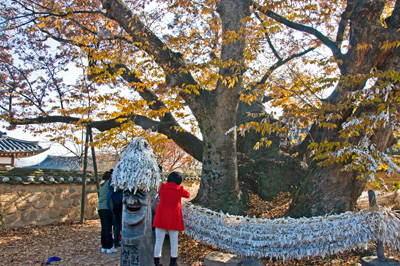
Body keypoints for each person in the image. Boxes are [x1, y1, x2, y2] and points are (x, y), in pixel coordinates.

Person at [153, 172, 190, 266]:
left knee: (158, 241)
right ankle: (173, 262)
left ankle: (157, 262)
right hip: (174, 218)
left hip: (161, 217)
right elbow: (188, 195)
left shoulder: (163, 187)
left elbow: (159, 195)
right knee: (174, 242)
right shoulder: (180, 189)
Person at [98, 171, 118, 254]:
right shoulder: (109, 183)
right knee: (109, 227)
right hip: (107, 208)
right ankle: (109, 247)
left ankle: (104, 246)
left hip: (100, 208)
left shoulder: (102, 184)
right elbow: (117, 187)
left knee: (104, 228)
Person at [107, 168, 123, 247]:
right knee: (117, 223)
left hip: (117, 203)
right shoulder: (113, 182)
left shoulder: (113, 181)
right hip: (117, 204)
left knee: (118, 223)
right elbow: (117, 188)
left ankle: (117, 238)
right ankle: (116, 240)